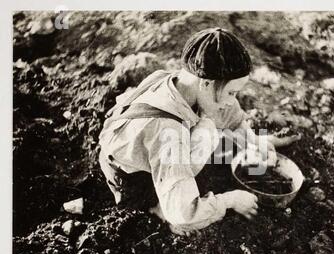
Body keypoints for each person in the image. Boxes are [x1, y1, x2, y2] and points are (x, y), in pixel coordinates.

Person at [98, 27, 300, 235]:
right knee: (206, 134)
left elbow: (228, 112)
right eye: (231, 92)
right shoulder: (168, 132)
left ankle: (172, 190)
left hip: (147, 148)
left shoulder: (181, 81)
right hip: (133, 181)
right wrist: (230, 200)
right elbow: (185, 213)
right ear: (206, 83)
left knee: (209, 124)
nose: (232, 101)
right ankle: (157, 209)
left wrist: (251, 140)